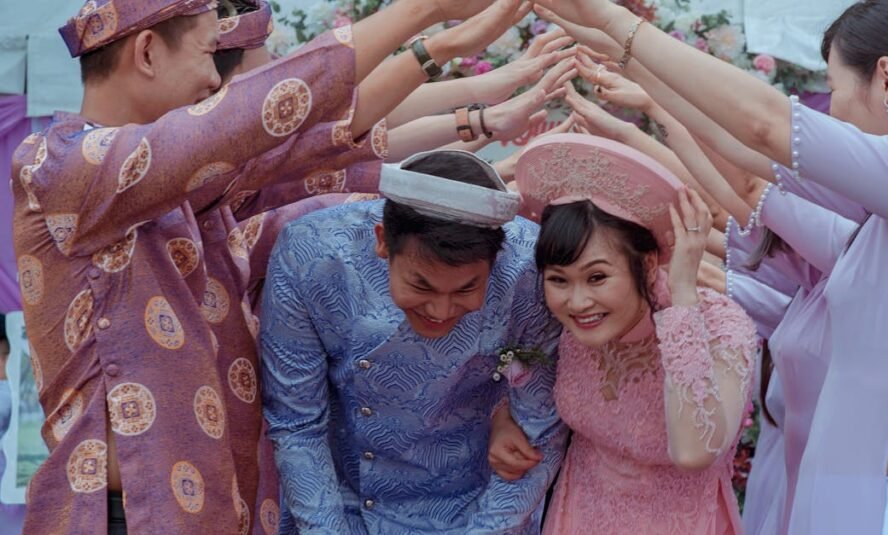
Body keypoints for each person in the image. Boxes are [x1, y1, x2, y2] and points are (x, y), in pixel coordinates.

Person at [10, 0, 534, 532]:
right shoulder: (57, 169)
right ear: (146, 51)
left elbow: (311, 142)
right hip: (125, 517)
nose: (215, 79)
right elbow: (247, 121)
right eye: (209, 53)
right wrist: (424, 15)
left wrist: (452, 66)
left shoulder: (183, 194)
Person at [534, 0, 888, 533]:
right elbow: (746, 172)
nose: (831, 111)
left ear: (885, 79)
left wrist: (613, 21)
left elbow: (767, 126)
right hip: (845, 506)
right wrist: (632, 63)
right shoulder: (885, 233)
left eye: (833, 88)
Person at [259, 149, 567, 533]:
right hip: (341, 500)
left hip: (477, 504)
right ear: (383, 241)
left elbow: (539, 430)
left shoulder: (531, 272)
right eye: (421, 285)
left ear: (498, 256)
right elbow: (296, 422)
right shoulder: (311, 255)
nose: (440, 310)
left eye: (467, 289)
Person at [491, 133, 757, 533]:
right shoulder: (569, 323)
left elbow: (693, 452)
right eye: (559, 280)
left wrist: (683, 293)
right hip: (574, 517)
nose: (578, 302)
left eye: (597, 277)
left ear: (649, 264)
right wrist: (500, 418)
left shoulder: (721, 326)